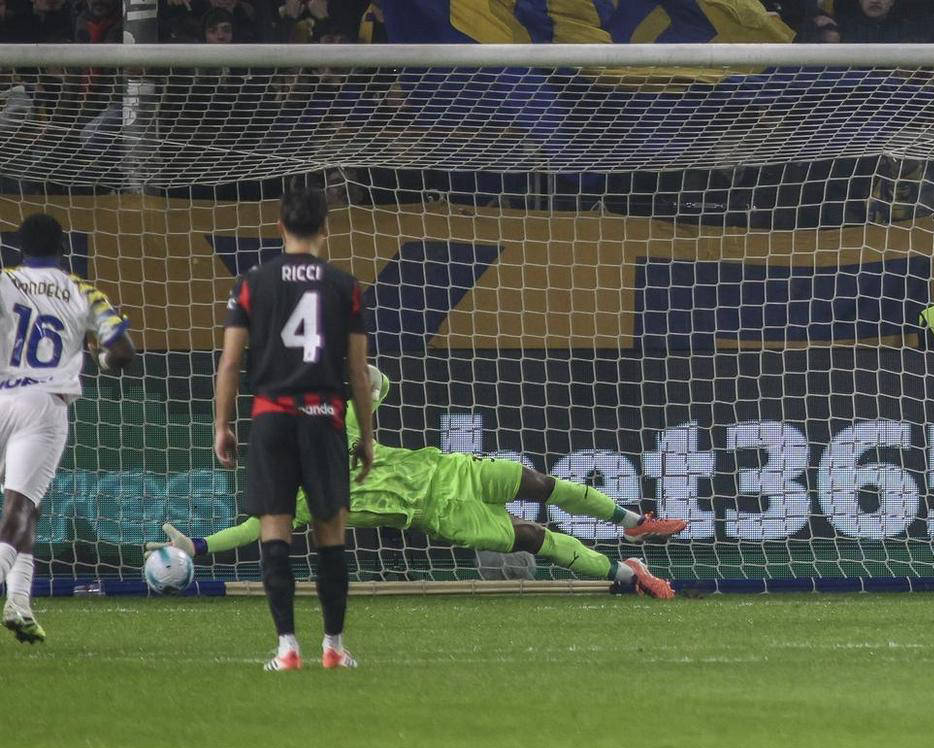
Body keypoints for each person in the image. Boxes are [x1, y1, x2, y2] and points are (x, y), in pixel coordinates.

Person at [151, 366, 686, 596]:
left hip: (450, 469)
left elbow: (377, 383)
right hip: (440, 514)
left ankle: (634, 523)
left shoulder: (341, 429)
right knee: (532, 538)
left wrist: (357, 377)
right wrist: (197, 545)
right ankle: (627, 573)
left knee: (539, 483)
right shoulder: (304, 498)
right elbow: (254, 529)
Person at [215, 186, 374, 672]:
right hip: (324, 418)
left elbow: (231, 363)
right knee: (331, 532)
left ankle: (286, 648)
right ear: (325, 227)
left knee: (274, 529)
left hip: (271, 418)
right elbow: (358, 370)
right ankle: (334, 647)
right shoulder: (345, 286)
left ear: (280, 226)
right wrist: (367, 436)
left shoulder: (251, 283)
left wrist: (223, 424)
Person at [0, 213, 135, 643]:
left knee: (28, 508)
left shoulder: (4, 280)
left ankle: (19, 603)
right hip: (43, 408)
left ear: (20, 247)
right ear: (62, 248)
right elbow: (122, 352)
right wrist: (101, 358)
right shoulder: (83, 291)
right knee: (20, 507)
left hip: (2, 396)